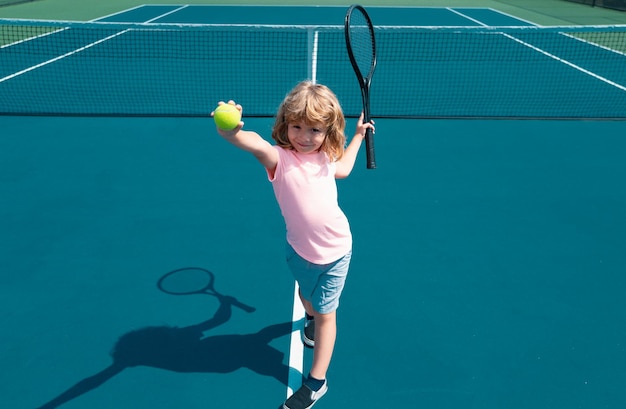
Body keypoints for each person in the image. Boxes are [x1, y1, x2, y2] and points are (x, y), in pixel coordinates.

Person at [212, 80, 375, 409]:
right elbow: (254, 144)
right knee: (305, 296)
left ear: (327, 133)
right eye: (297, 126)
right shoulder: (278, 159)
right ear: (284, 124)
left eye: (314, 130)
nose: (304, 136)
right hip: (299, 251)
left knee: (327, 313)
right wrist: (230, 132)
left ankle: (316, 383)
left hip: (336, 252)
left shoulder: (325, 158)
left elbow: (342, 169)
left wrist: (357, 137)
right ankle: (310, 318)